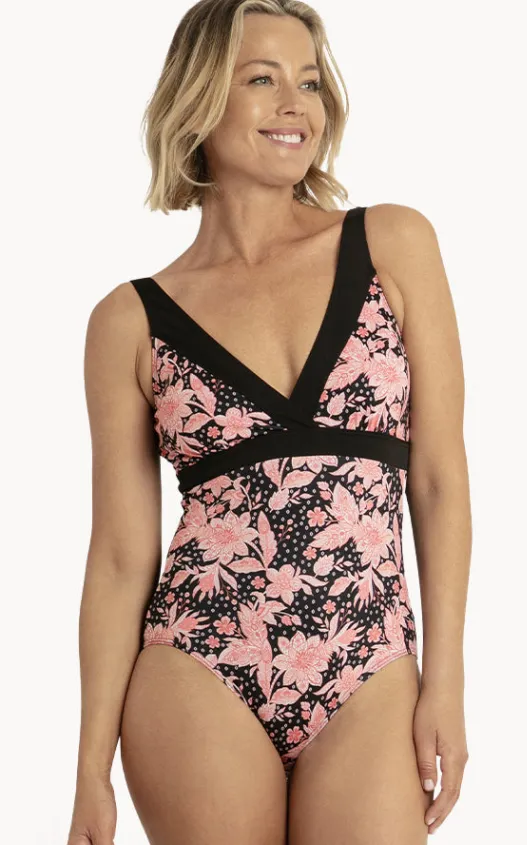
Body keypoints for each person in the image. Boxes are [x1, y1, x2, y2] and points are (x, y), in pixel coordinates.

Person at [68, 2, 471, 844]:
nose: (296, 105)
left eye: (311, 83)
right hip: (198, 663)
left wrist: (448, 679)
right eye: (262, 79)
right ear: (200, 100)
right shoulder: (129, 321)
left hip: (370, 664)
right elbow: (119, 557)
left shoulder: (392, 244)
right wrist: (89, 772)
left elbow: (437, 478)